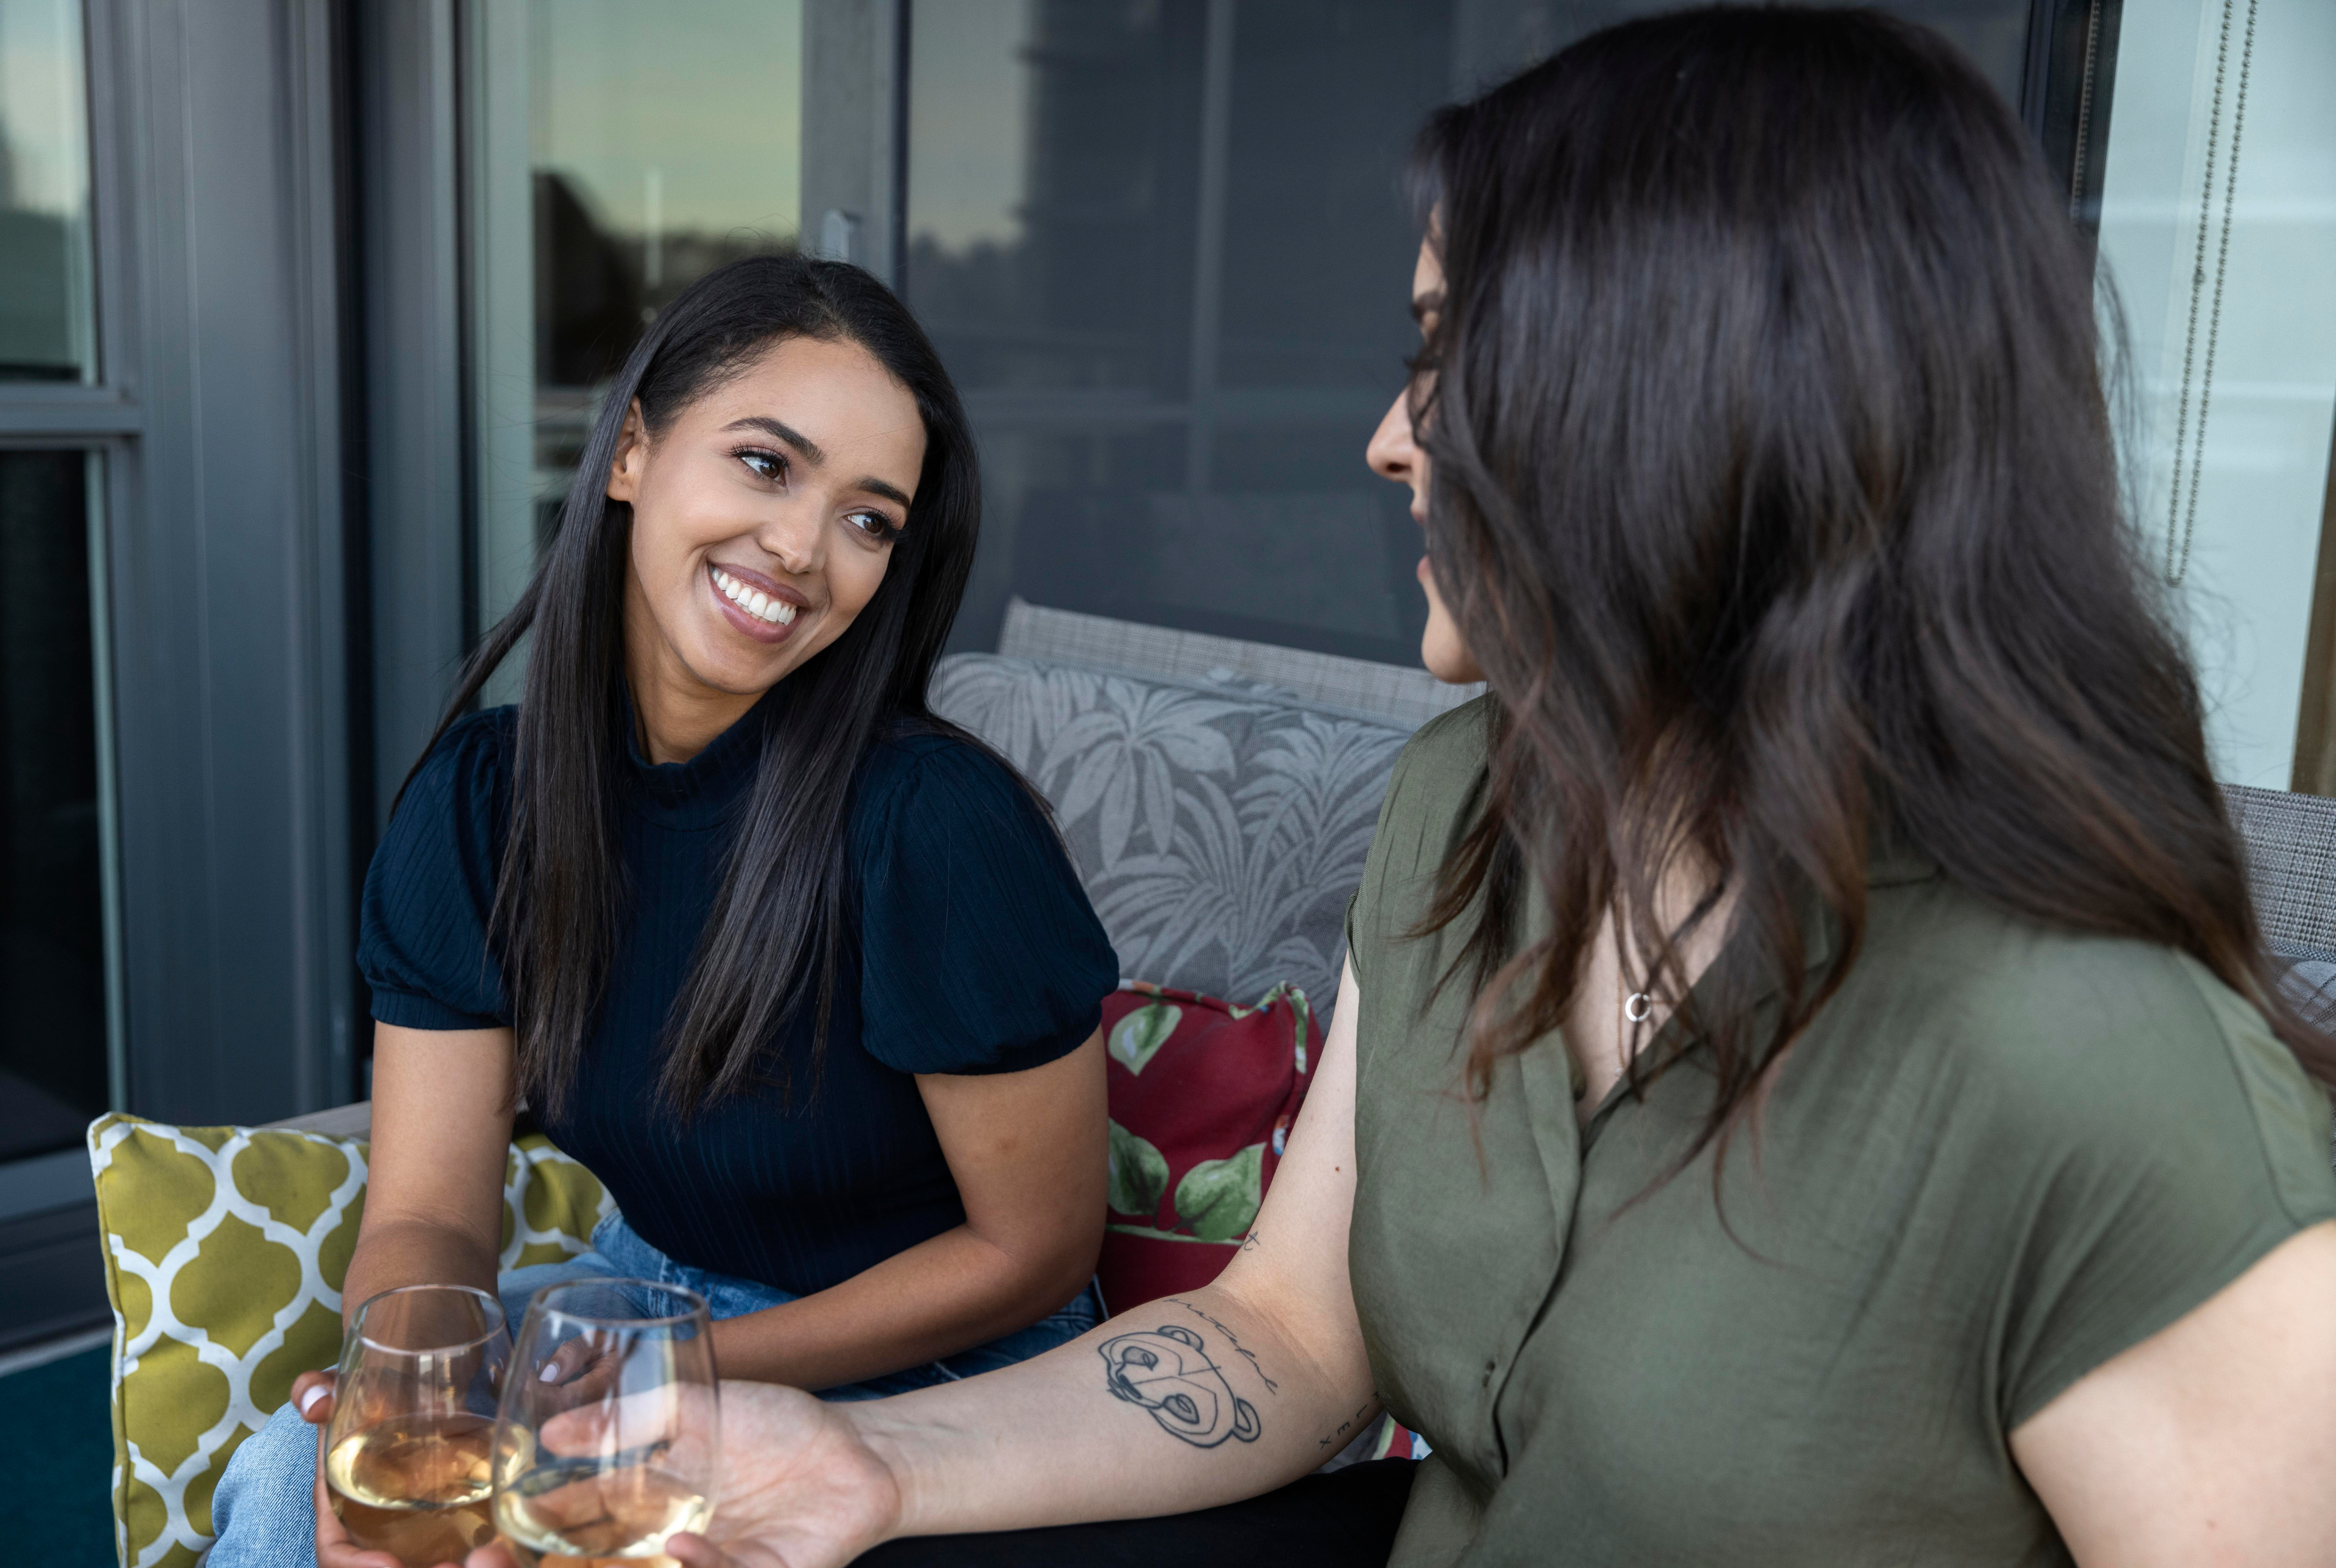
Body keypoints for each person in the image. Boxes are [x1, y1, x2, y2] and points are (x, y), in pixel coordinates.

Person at [457, 11, 2336, 1567]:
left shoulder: (2118, 1094)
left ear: (1683, 404)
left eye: (1442, 359)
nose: (1381, 439)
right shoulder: (1474, 809)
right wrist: (874, 1467)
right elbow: (1290, 1337)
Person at [205, 255, 1120, 1567]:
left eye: (870, 520)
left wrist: (633, 1387)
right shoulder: (478, 805)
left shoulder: (932, 824)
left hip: (938, 1362)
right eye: (765, 465)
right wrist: (412, 1379)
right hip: (642, 1297)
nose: (803, 548)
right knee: (305, 1469)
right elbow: (429, 1213)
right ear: (631, 450)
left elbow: (1030, 1253)